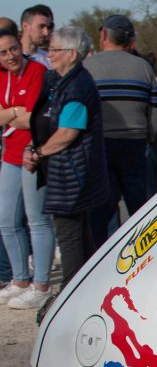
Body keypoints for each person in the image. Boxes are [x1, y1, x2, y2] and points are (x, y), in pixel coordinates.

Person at [23, 26, 109, 286]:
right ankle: (88, 288)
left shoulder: (77, 87)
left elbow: (68, 133)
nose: (49, 54)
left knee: (70, 238)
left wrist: (38, 153)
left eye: (54, 49)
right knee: (80, 236)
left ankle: (69, 293)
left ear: (72, 53)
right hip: (71, 173)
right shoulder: (67, 82)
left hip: (73, 175)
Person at [84, 14, 157, 244]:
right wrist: (148, 135)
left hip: (101, 144)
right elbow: (156, 109)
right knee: (140, 206)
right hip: (136, 142)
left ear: (105, 35)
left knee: (103, 208)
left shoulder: (88, 67)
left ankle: (106, 255)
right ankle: (146, 253)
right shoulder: (143, 67)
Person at [0, 28, 53, 309]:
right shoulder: (1, 75)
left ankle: (41, 285)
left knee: (37, 220)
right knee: (6, 220)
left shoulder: (37, 71)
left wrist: (9, 115)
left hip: (33, 152)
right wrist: (14, 113)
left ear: (20, 45)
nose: (9, 56)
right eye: (3, 52)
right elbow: (16, 116)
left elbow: (34, 118)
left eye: (12, 49)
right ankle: (20, 279)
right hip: (9, 153)